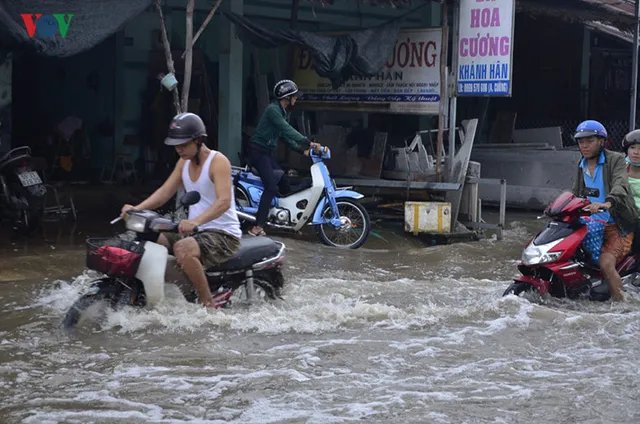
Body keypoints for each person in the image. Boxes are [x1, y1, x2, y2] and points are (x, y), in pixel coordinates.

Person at [120, 112, 242, 308]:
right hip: (195, 232)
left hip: (223, 234)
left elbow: (224, 201)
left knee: (182, 248)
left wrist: (196, 221)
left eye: (183, 144)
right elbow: (165, 192)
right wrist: (136, 208)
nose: (178, 149)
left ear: (199, 140)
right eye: (176, 145)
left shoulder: (218, 162)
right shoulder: (183, 162)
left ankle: (207, 303)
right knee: (149, 235)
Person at [571, 120, 638, 301]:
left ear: (601, 141)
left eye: (589, 141)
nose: (584, 145)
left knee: (606, 263)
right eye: (580, 141)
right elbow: (576, 193)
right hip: (591, 223)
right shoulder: (581, 164)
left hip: (617, 224)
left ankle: (621, 305)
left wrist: (608, 203)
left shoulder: (615, 160)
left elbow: (620, 185)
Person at [247, 79, 321, 237]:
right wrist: (308, 142)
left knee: (284, 181)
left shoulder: (281, 112)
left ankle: (288, 221)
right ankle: (257, 226)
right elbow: (287, 130)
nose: (296, 99)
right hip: (258, 152)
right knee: (271, 187)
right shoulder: (273, 111)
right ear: (287, 98)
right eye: (294, 96)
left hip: (266, 153)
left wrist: (303, 151)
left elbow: (285, 138)